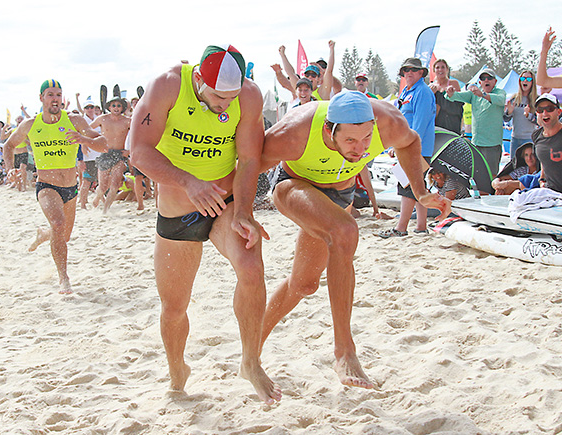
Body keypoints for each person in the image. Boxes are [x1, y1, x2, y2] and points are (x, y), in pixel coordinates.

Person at [259, 91, 451, 389]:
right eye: (350, 141)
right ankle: (344, 351)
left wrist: (420, 190)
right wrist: (239, 213)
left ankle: (251, 347)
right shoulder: (294, 130)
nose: (360, 148)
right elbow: (246, 164)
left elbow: (411, 141)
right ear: (328, 130)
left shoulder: (387, 123)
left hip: (339, 194)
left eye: (365, 139)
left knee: (304, 284)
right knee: (345, 230)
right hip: (292, 185)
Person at [129, 44, 281, 405]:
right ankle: (177, 368)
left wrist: (244, 211)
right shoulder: (166, 87)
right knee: (175, 305)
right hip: (178, 209)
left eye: (232, 97)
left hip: (225, 202)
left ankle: (250, 360)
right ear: (198, 78)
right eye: (218, 97)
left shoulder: (248, 96)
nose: (226, 105)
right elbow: (138, 151)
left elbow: (247, 159)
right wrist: (188, 182)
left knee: (250, 263)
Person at [3, 79, 108, 294]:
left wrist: (83, 139)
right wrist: (9, 169)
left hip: (70, 187)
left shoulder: (75, 121)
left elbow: (104, 143)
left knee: (63, 235)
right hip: (46, 185)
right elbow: (9, 145)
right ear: (41, 98)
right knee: (59, 224)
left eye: (58, 95)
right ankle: (64, 278)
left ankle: (44, 235)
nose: (55, 99)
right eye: (50, 94)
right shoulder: (31, 125)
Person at [379, 58, 435, 238]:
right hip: (408, 144)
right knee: (419, 185)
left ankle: (401, 228)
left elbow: (420, 122)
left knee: (408, 185)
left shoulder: (423, 92)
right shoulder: (406, 91)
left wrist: (406, 144)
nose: (408, 73)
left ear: (421, 73)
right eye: (405, 70)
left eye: (413, 70)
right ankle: (421, 226)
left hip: (416, 146)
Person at [445, 69, 506, 176]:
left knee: (492, 176)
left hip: (492, 145)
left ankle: (493, 193)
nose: (486, 80)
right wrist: (450, 93)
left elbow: (501, 100)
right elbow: (456, 96)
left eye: (489, 78)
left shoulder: (500, 92)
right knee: (477, 175)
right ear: (480, 82)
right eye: (483, 78)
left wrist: (482, 94)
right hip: (476, 143)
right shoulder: (473, 94)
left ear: (495, 81)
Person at [91, 95, 131, 213]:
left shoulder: (127, 121)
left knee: (115, 185)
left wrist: (130, 151)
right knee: (103, 186)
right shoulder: (102, 119)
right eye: (113, 105)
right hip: (105, 153)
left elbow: (138, 135)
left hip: (119, 154)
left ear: (123, 108)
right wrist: (85, 144)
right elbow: (86, 130)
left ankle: (106, 210)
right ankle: (98, 197)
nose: (116, 108)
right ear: (109, 107)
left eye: (119, 106)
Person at [504, 70, 539, 159]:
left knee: (530, 166)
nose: (525, 81)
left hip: (529, 139)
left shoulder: (536, 99)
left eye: (528, 79)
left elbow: (539, 121)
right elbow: (506, 119)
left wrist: (529, 115)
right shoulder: (514, 98)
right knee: (513, 165)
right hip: (515, 138)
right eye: (522, 78)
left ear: (532, 82)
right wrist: (509, 112)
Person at [429, 59, 464, 134]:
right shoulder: (431, 87)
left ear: (447, 69)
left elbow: (459, 103)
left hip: (452, 122)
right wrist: (431, 94)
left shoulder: (454, 83)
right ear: (434, 70)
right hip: (437, 123)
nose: (440, 70)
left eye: (442, 67)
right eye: (437, 68)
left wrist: (452, 94)